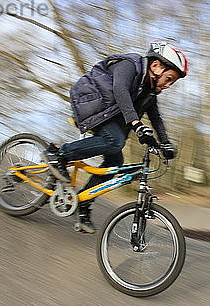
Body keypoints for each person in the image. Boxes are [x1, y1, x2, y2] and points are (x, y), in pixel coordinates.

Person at [44, 41, 188, 233]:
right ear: (155, 66)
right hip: (90, 101)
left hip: (108, 113)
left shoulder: (149, 92)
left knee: (115, 161)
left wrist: (165, 142)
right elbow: (120, 90)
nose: (168, 85)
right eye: (169, 78)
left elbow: (156, 118)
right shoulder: (130, 64)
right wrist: (136, 124)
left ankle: (84, 201)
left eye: (173, 82)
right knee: (115, 141)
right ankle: (58, 154)